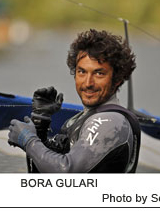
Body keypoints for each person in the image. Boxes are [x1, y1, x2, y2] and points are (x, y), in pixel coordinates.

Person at [8, 29, 141, 173]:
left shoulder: (110, 121)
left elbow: (66, 170)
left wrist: (28, 141)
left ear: (117, 79)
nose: (88, 83)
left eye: (99, 73)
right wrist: (40, 126)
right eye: (82, 72)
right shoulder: (85, 118)